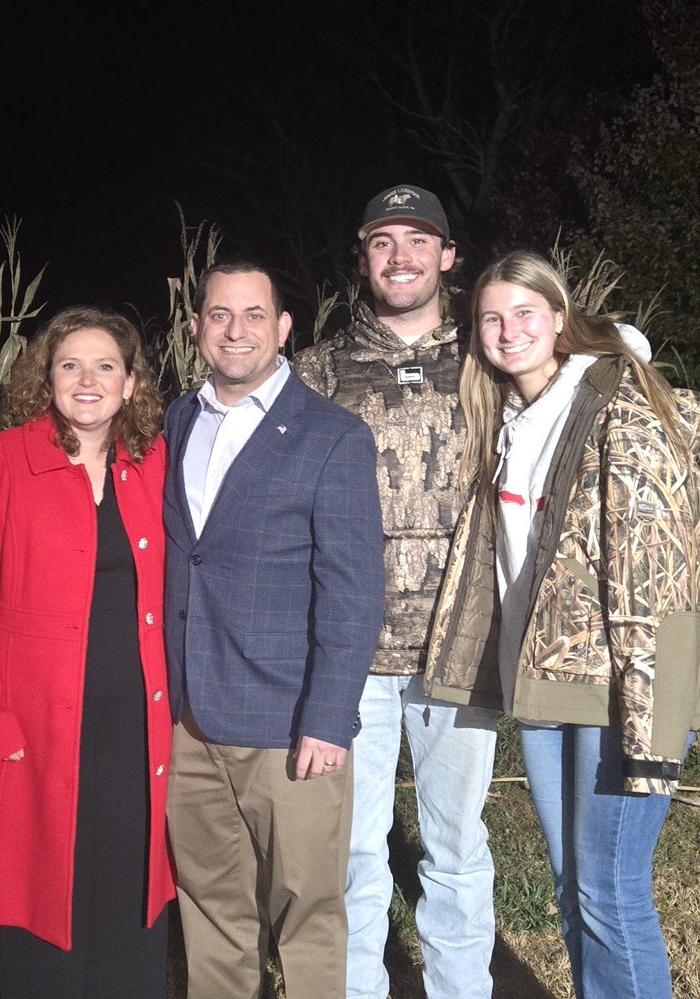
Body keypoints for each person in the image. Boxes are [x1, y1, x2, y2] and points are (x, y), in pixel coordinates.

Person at [426, 250, 700, 999]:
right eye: (492, 317)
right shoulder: (509, 418)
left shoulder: (621, 401)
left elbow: (659, 571)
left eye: (525, 312)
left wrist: (656, 712)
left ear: (559, 315)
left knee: (611, 890)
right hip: (546, 684)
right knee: (574, 887)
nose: (509, 330)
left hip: (623, 685)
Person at [0, 306, 174, 998]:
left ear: (131, 384)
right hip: (32, 726)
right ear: (47, 377)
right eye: (71, 365)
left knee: (129, 883)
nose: (88, 380)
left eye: (106, 366)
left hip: (135, 722)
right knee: (39, 893)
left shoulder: (150, 463)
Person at [294, 184, 497, 999]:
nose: (401, 257)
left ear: (449, 257)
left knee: (455, 845)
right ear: (362, 258)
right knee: (352, 850)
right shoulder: (315, 370)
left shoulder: (493, 360)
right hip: (350, 653)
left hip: (462, 645)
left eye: (419, 241)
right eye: (383, 242)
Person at [164, 260, 385, 998]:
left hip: (288, 725)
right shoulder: (176, 419)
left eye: (254, 315)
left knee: (306, 911)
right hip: (190, 722)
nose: (236, 330)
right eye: (220, 314)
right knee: (211, 907)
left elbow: (353, 592)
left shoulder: (333, 436)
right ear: (195, 327)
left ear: (283, 328)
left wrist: (328, 718)